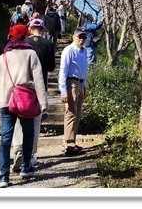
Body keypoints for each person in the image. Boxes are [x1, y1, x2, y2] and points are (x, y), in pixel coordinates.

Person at [0, 23, 48, 188]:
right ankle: (26, 167)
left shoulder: (3, 57)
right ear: (24, 37)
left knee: (5, 138)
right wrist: (43, 103)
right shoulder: (31, 54)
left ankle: (3, 176)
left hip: (5, 101)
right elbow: (38, 79)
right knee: (28, 133)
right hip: (25, 101)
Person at [12, 18, 56, 173]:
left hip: (20, 86)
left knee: (18, 120)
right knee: (35, 122)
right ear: (43, 30)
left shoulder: (22, 44)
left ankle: (18, 149)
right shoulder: (48, 44)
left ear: (29, 29)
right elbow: (51, 67)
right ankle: (30, 154)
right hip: (39, 86)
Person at [58, 26, 89, 155]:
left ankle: (72, 141)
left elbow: (84, 69)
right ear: (74, 37)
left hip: (80, 83)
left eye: (84, 37)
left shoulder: (84, 51)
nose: (82, 39)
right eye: (80, 37)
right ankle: (69, 144)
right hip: (71, 83)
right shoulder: (68, 50)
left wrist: (85, 85)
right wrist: (63, 90)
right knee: (71, 113)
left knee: (77, 114)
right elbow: (63, 71)